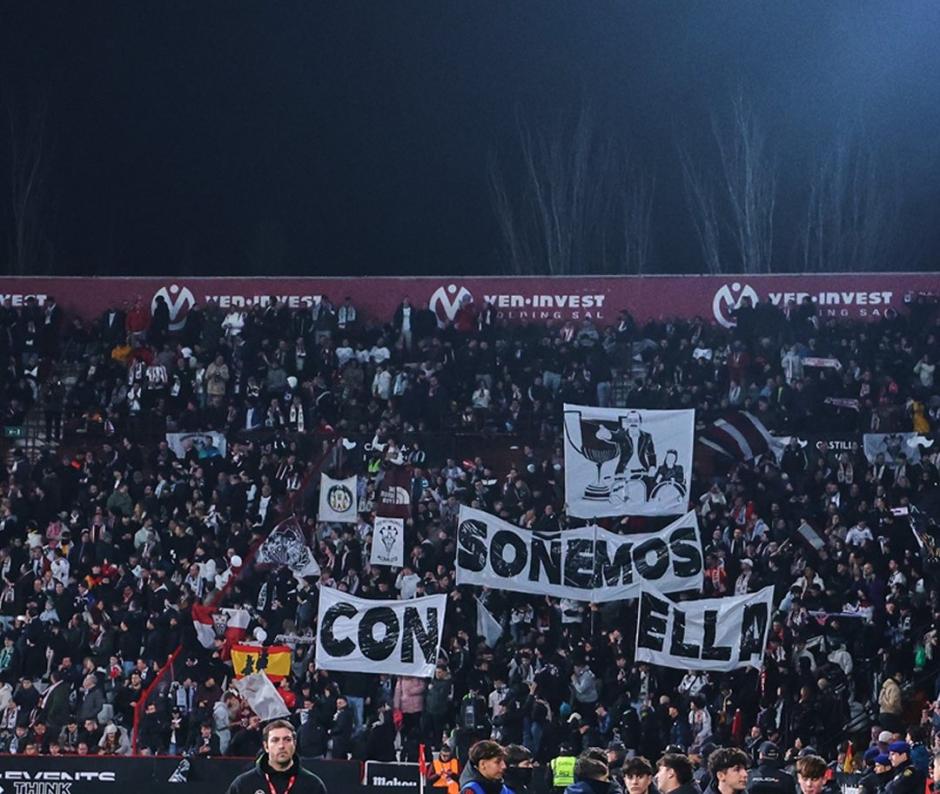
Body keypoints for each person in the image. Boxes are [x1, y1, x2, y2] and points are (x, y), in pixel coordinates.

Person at [225, 720, 327, 794]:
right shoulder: (244, 784)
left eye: (287, 739)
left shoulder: (313, 785)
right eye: (275, 740)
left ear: (294, 744)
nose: (281, 746)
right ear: (266, 746)